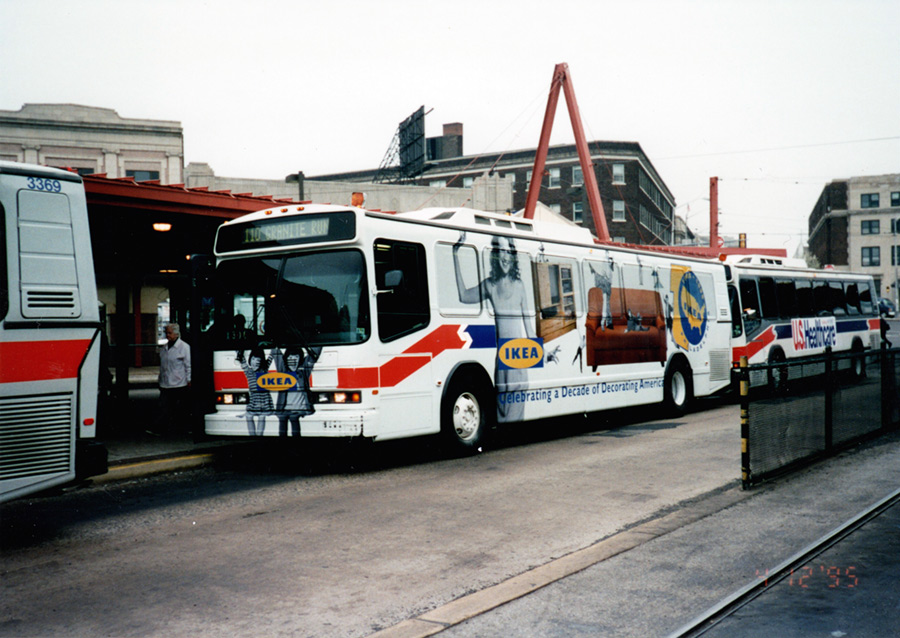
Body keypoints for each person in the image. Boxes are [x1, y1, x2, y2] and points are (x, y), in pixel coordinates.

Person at [453, 233, 535, 423]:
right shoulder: (490, 285)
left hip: (519, 359)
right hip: (503, 360)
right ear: (495, 255)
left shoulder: (520, 285)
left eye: (508, 251)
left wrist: (544, 353)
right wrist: (455, 253)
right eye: (500, 251)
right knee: (503, 417)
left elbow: (529, 331)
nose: (504, 257)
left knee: (515, 420)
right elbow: (464, 296)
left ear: (513, 256)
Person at [156, 323, 191, 436]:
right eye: (166, 333)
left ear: (176, 334)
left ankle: (181, 429)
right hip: (165, 383)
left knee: (179, 409)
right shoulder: (164, 348)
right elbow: (163, 366)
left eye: (170, 333)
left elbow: (188, 365)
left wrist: (189, 379)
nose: (167, 335)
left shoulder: (184, 347)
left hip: (179, 383)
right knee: (164, 407)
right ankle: (163, 429)